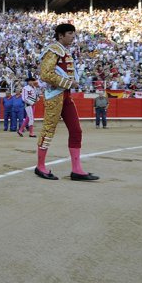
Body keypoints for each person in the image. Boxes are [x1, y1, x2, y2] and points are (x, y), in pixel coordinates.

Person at [35, 23, 99, 181]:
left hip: (66, 96)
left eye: (73, 33)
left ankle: (77, 169)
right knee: (48, 130)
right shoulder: (53, 50)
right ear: (60, 35)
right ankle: (40, 166)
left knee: (76, 130)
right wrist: (69, 83)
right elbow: (45, 74)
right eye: (70, 33)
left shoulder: (64, 51)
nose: (73, 36)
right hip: (55, 96)